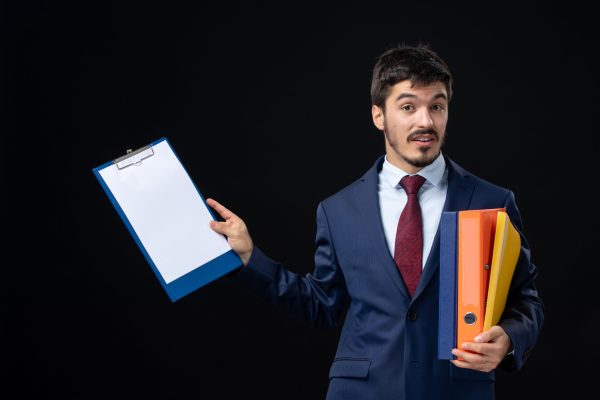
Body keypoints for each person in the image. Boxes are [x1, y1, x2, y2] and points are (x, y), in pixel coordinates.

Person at [206, 43, 544, 400]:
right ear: (378, 115)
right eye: (409, 107)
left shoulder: (492, 201)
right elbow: (321, 304)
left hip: (455, 389)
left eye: (437, 106)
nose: (425, 121)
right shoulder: (337, 211)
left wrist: (509, 339)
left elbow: (527, 300)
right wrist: (249, 258)